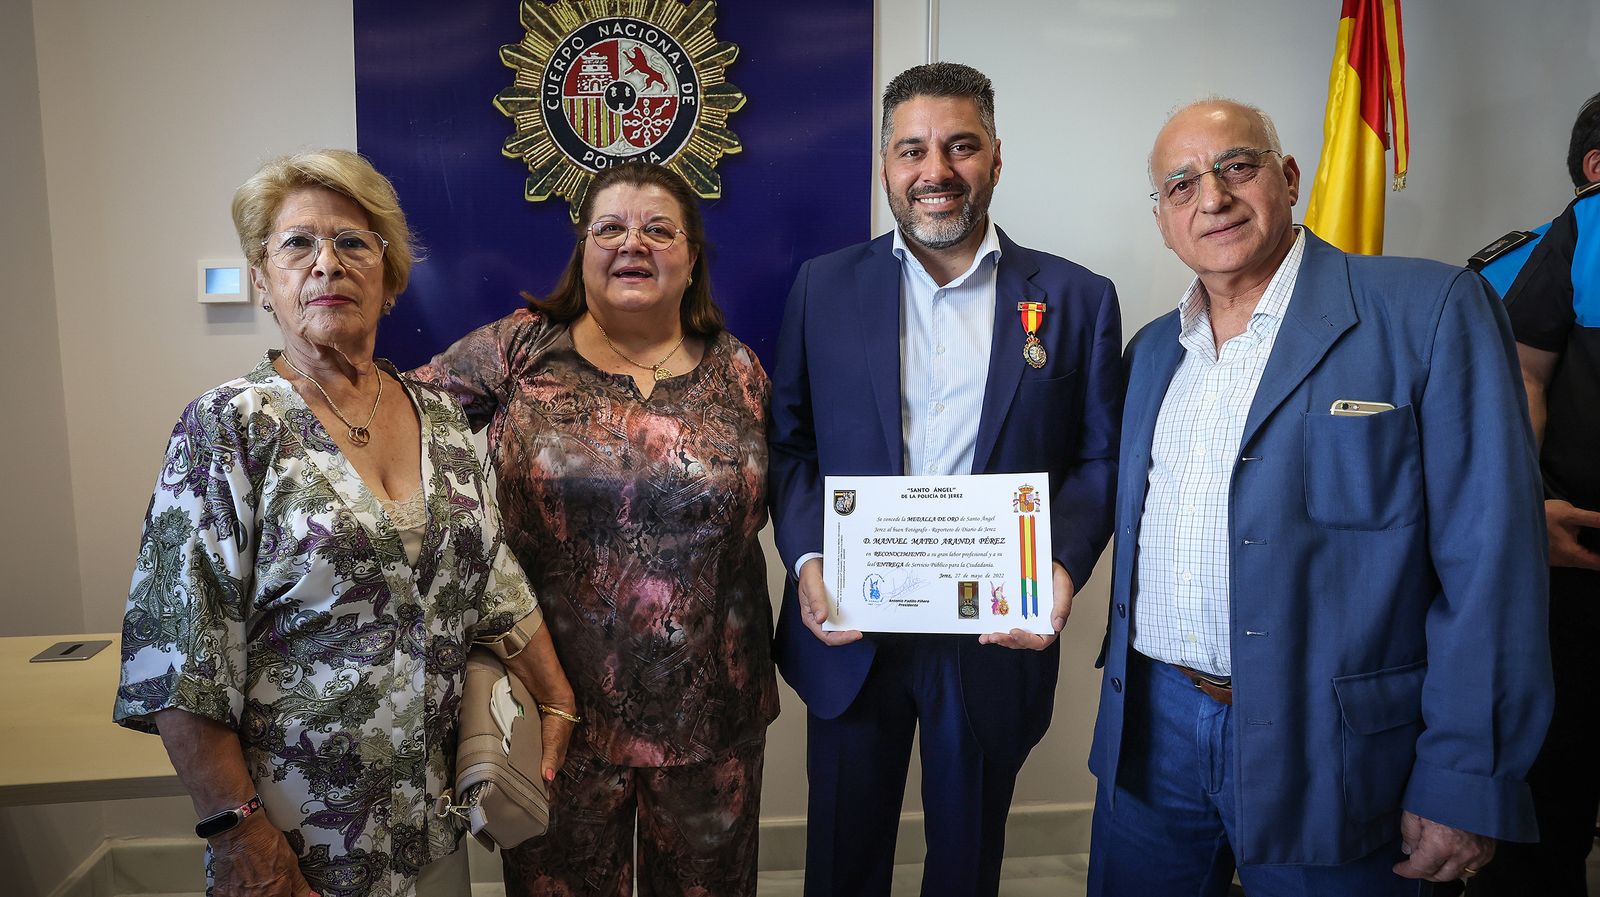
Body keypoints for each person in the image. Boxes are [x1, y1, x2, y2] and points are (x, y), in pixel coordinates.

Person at [1086, 99, 1553, 896]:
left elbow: (1494, 562)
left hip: (1336, 745)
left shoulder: (1428, 311)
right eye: (1180, 184)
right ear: (1163, 218)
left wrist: (1466, 776)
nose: (1213, 197)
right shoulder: (1152, 352)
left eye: (1238, 165)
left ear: (1288, 176)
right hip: (1151, 733)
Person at [114, 149, 578, 897]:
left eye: (353, 243)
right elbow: (176, 659)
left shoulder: (443, 418)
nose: (326, 263)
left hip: (434, 824)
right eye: (298, 244)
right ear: (263, 281)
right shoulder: (227, 427)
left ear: (389, 279)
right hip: (296, 847)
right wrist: (238, 834)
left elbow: (494, 578)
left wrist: (558, 698)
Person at [768, 62, 1123, 897]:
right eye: (912, 149)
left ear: (995, 159)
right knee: (841, 865)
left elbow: (1100, 457)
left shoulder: (1076, 298)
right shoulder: (824, 285)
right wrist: (809, 563)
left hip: (992, 635)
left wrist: (1061, 567)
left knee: (966, 866)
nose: (936, 170)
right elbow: (791, 445)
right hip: (853, 629)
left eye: (960, 145)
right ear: (886, 165)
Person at [414, 161, 778, 897]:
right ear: (583, 248)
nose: (631, 244)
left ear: (692, 254)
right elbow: (395, 425)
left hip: (713, 715)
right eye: (609, 227)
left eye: (657, 229)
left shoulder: (741, 371)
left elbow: (796, 495)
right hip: (556, 704)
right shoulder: (518, 352)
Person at [1467, 91, 1600, 897]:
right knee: (1546, 809)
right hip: (1569, 575)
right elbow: (1508, 389)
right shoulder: (1529, 262)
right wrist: (1522, 517)